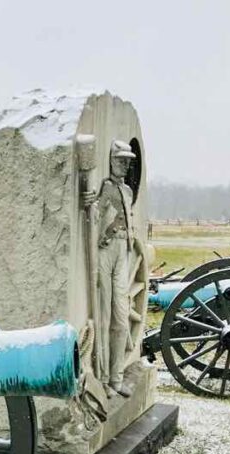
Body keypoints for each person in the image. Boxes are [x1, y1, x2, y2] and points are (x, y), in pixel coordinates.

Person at [87, 140, 137, 397]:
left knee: (121, 316)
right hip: (105, 250)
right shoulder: (105, 188)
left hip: (123, 251)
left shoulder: (127, 192)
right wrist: (90, 201)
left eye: (128, 161)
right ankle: (105, 378)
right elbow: (93, 211)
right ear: (111, 160)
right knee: (104, 317)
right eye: (120, 160)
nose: (124, 165)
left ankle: (117, 378)